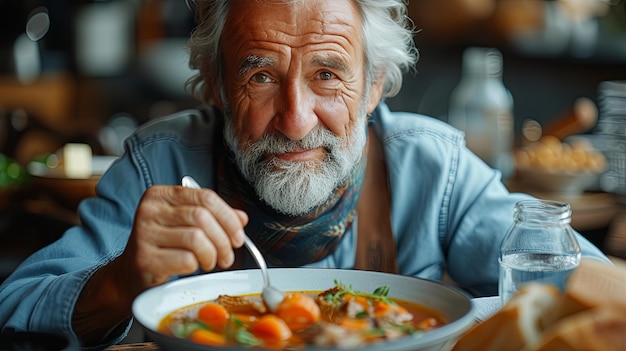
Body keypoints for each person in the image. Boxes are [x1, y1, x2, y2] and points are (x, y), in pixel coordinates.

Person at [0, 0, 610, 348]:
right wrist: (119, 280)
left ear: (373, 87)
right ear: (216, 84)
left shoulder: (435, 168)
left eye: (327, 74)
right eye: (260, 75)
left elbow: (589, 292)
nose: (294, 121)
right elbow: (14, 314)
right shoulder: (157, 164)